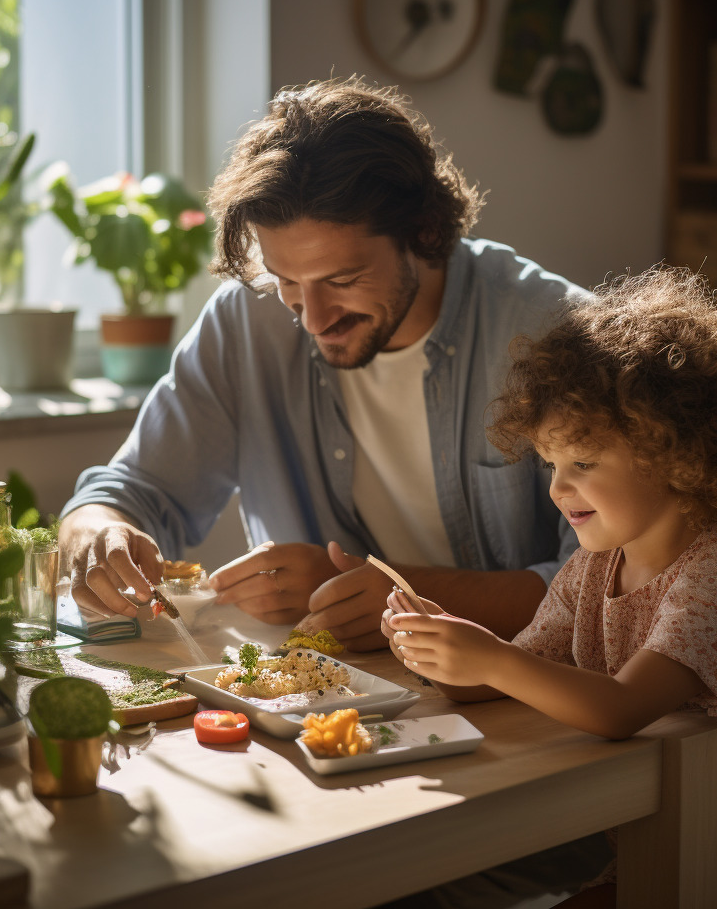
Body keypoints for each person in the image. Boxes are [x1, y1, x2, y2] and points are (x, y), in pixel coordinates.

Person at [381, 267, 717, 908]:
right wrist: (443, 649)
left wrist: (492, 659)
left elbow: (620, 709)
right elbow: (521, 671)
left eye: (583, 463)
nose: (557, 488)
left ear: (678, 453)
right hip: (657, 843)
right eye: (551, 463)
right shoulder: (596, 565)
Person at [58, 76, 591, 650]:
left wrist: (395, 593)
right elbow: (134, 488)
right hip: (323, 699)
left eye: (343, 280)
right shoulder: (247, 320)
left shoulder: (558, 334)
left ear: (424, 231)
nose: (312, 319)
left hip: (518, 695)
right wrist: (98, 532)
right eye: (287, 280)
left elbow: (611, 587)